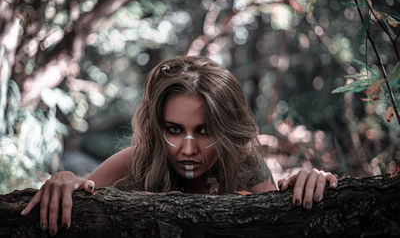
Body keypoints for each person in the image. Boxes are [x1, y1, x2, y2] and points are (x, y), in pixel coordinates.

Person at [21, 56, 338, 236]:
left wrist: (310, 183)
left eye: (204, 131)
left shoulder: (244, 164)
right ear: (157, 126)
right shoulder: (138, 161)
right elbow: (80, 187)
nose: (188, 149)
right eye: (174, 129)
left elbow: (279, 222)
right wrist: (64, 179)